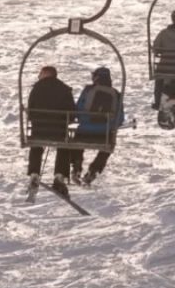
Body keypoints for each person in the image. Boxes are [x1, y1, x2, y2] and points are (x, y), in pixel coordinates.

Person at [68, 66, 124, 188]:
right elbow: (120, 119)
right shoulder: (116, 94)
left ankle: (76, 166)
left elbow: (78, 109)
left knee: (77, 141)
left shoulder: (88, 90)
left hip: (85, 131)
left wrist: (85, 120)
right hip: (104, 135)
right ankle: (94, 170)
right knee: (108, 145)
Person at [25, 64, 76, 195]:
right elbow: (72, 113)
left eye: (40, 73)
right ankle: (59, 176)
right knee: (64, 145)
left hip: (39, 129)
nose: (38, 76)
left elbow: (30, 111)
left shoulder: (36, 89)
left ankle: (35, 173)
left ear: (46, 73)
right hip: (59, 131)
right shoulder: (65, 89)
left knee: (36, 144)